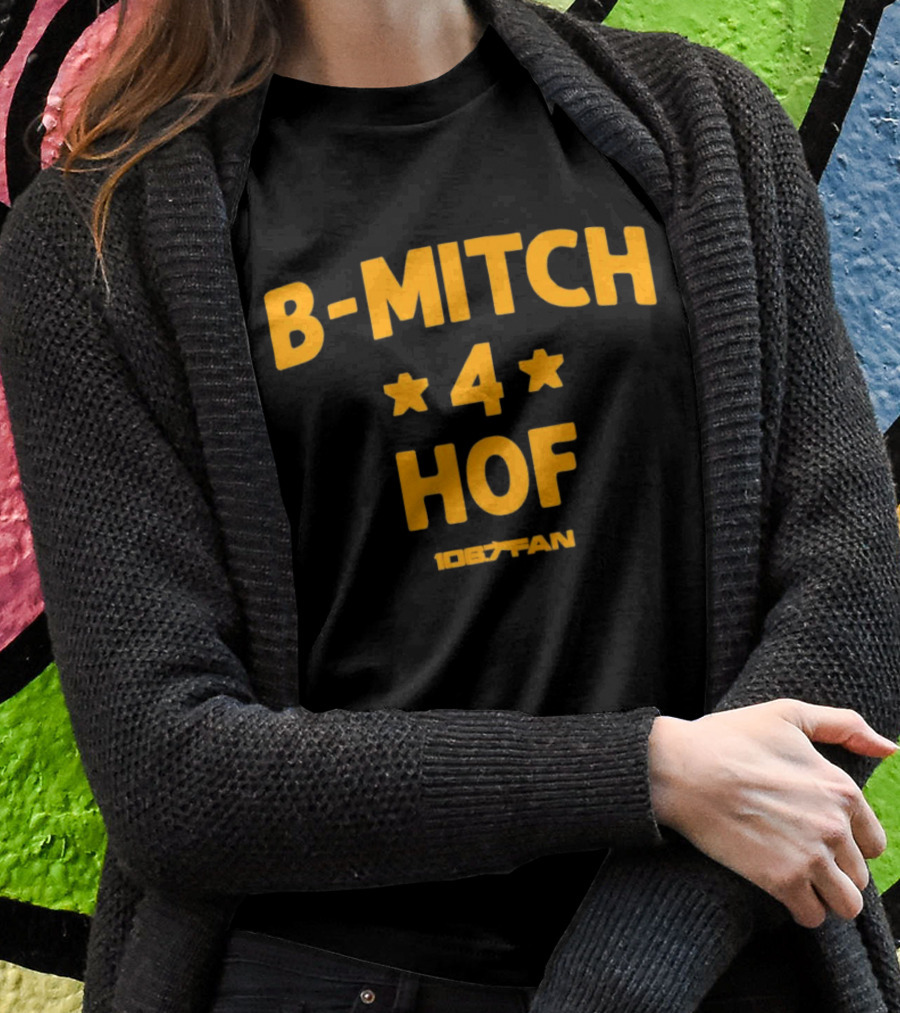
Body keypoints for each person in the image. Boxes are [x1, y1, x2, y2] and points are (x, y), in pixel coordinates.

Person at [1, 0, 899, 1010]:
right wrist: (647, 772)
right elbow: (174, 773)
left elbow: (852, 602)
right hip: (341, 980)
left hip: (709, 967)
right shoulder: (101, 239)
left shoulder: (703, 128)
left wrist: (627, 971)